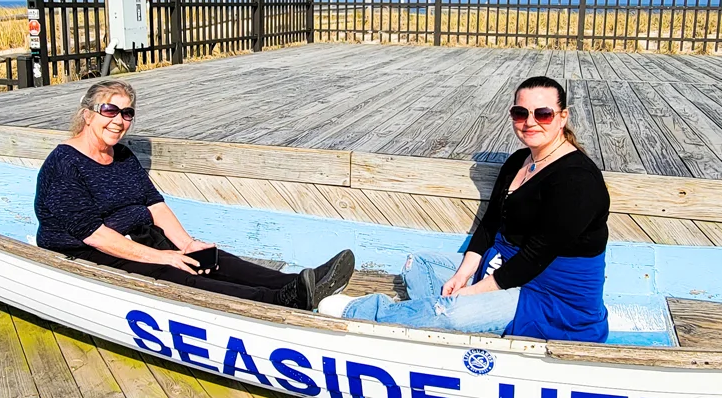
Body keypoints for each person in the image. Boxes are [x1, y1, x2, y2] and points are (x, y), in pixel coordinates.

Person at [320, 75, 610, 342]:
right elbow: (489, 225)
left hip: (551, 299)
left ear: (562, 117)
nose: (530, 122)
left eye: (543, 114)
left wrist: (468, 295)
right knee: (418, 264)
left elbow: (533, 260)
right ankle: (450, 323)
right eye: (520, 113)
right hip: (501, 267)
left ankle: (367, 312)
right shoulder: (519, 161)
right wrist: (462, 275)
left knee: (453, 310)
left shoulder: (578, 182)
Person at [35, 79, 354, 310]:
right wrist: (164, 255)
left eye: (127, 113)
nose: (119, 121)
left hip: (135, 237)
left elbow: (154, 204)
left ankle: (296, 283)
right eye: (110, 110)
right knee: (175, 270)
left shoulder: (122, 156)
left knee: (206, 258)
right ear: (88, 114)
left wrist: (186, 244)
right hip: (86, 251)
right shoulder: (65, 164)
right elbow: (94, 236)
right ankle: (277, 302)